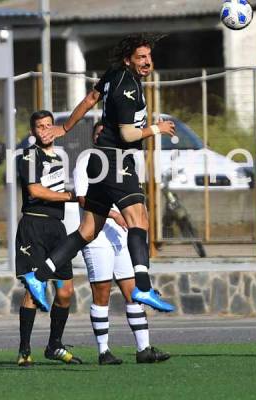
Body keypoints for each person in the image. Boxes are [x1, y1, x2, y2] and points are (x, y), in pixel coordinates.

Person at [21, 34, 176, 313]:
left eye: (149, 56)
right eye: (141, 57)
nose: (147, 62)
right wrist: (157, 128)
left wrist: (65, 127)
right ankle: (143, 286)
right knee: (139, 220)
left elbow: (91, 97)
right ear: (128, 60)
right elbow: (128, 135)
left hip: (100, 161)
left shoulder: (115, 73)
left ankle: (39, 276)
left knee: (88, 230)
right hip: (115, 162)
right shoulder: (127, 87)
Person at [69, 121, 171, 364]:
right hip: (98, 236)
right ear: (94, 138)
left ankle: (144, 349)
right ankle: (104, 351)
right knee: (102, 292)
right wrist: (114, 214)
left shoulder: (126, 159)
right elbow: (82, 198)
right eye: (98, 133)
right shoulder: (88, 160)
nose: (102, 136)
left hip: (123, 236)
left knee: (133, 291)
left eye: (106, 132)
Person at [15, 110, 82, 367]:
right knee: (35, 290)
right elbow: (35, 190)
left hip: (56, 228)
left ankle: (54, 345)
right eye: (40, 127)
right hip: (33, 226)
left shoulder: (58, 158)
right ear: (33, 131)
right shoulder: (29, 155)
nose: (45, 130)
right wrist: (70, 196)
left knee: (65, 291)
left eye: (48, 125)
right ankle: (24, 350)